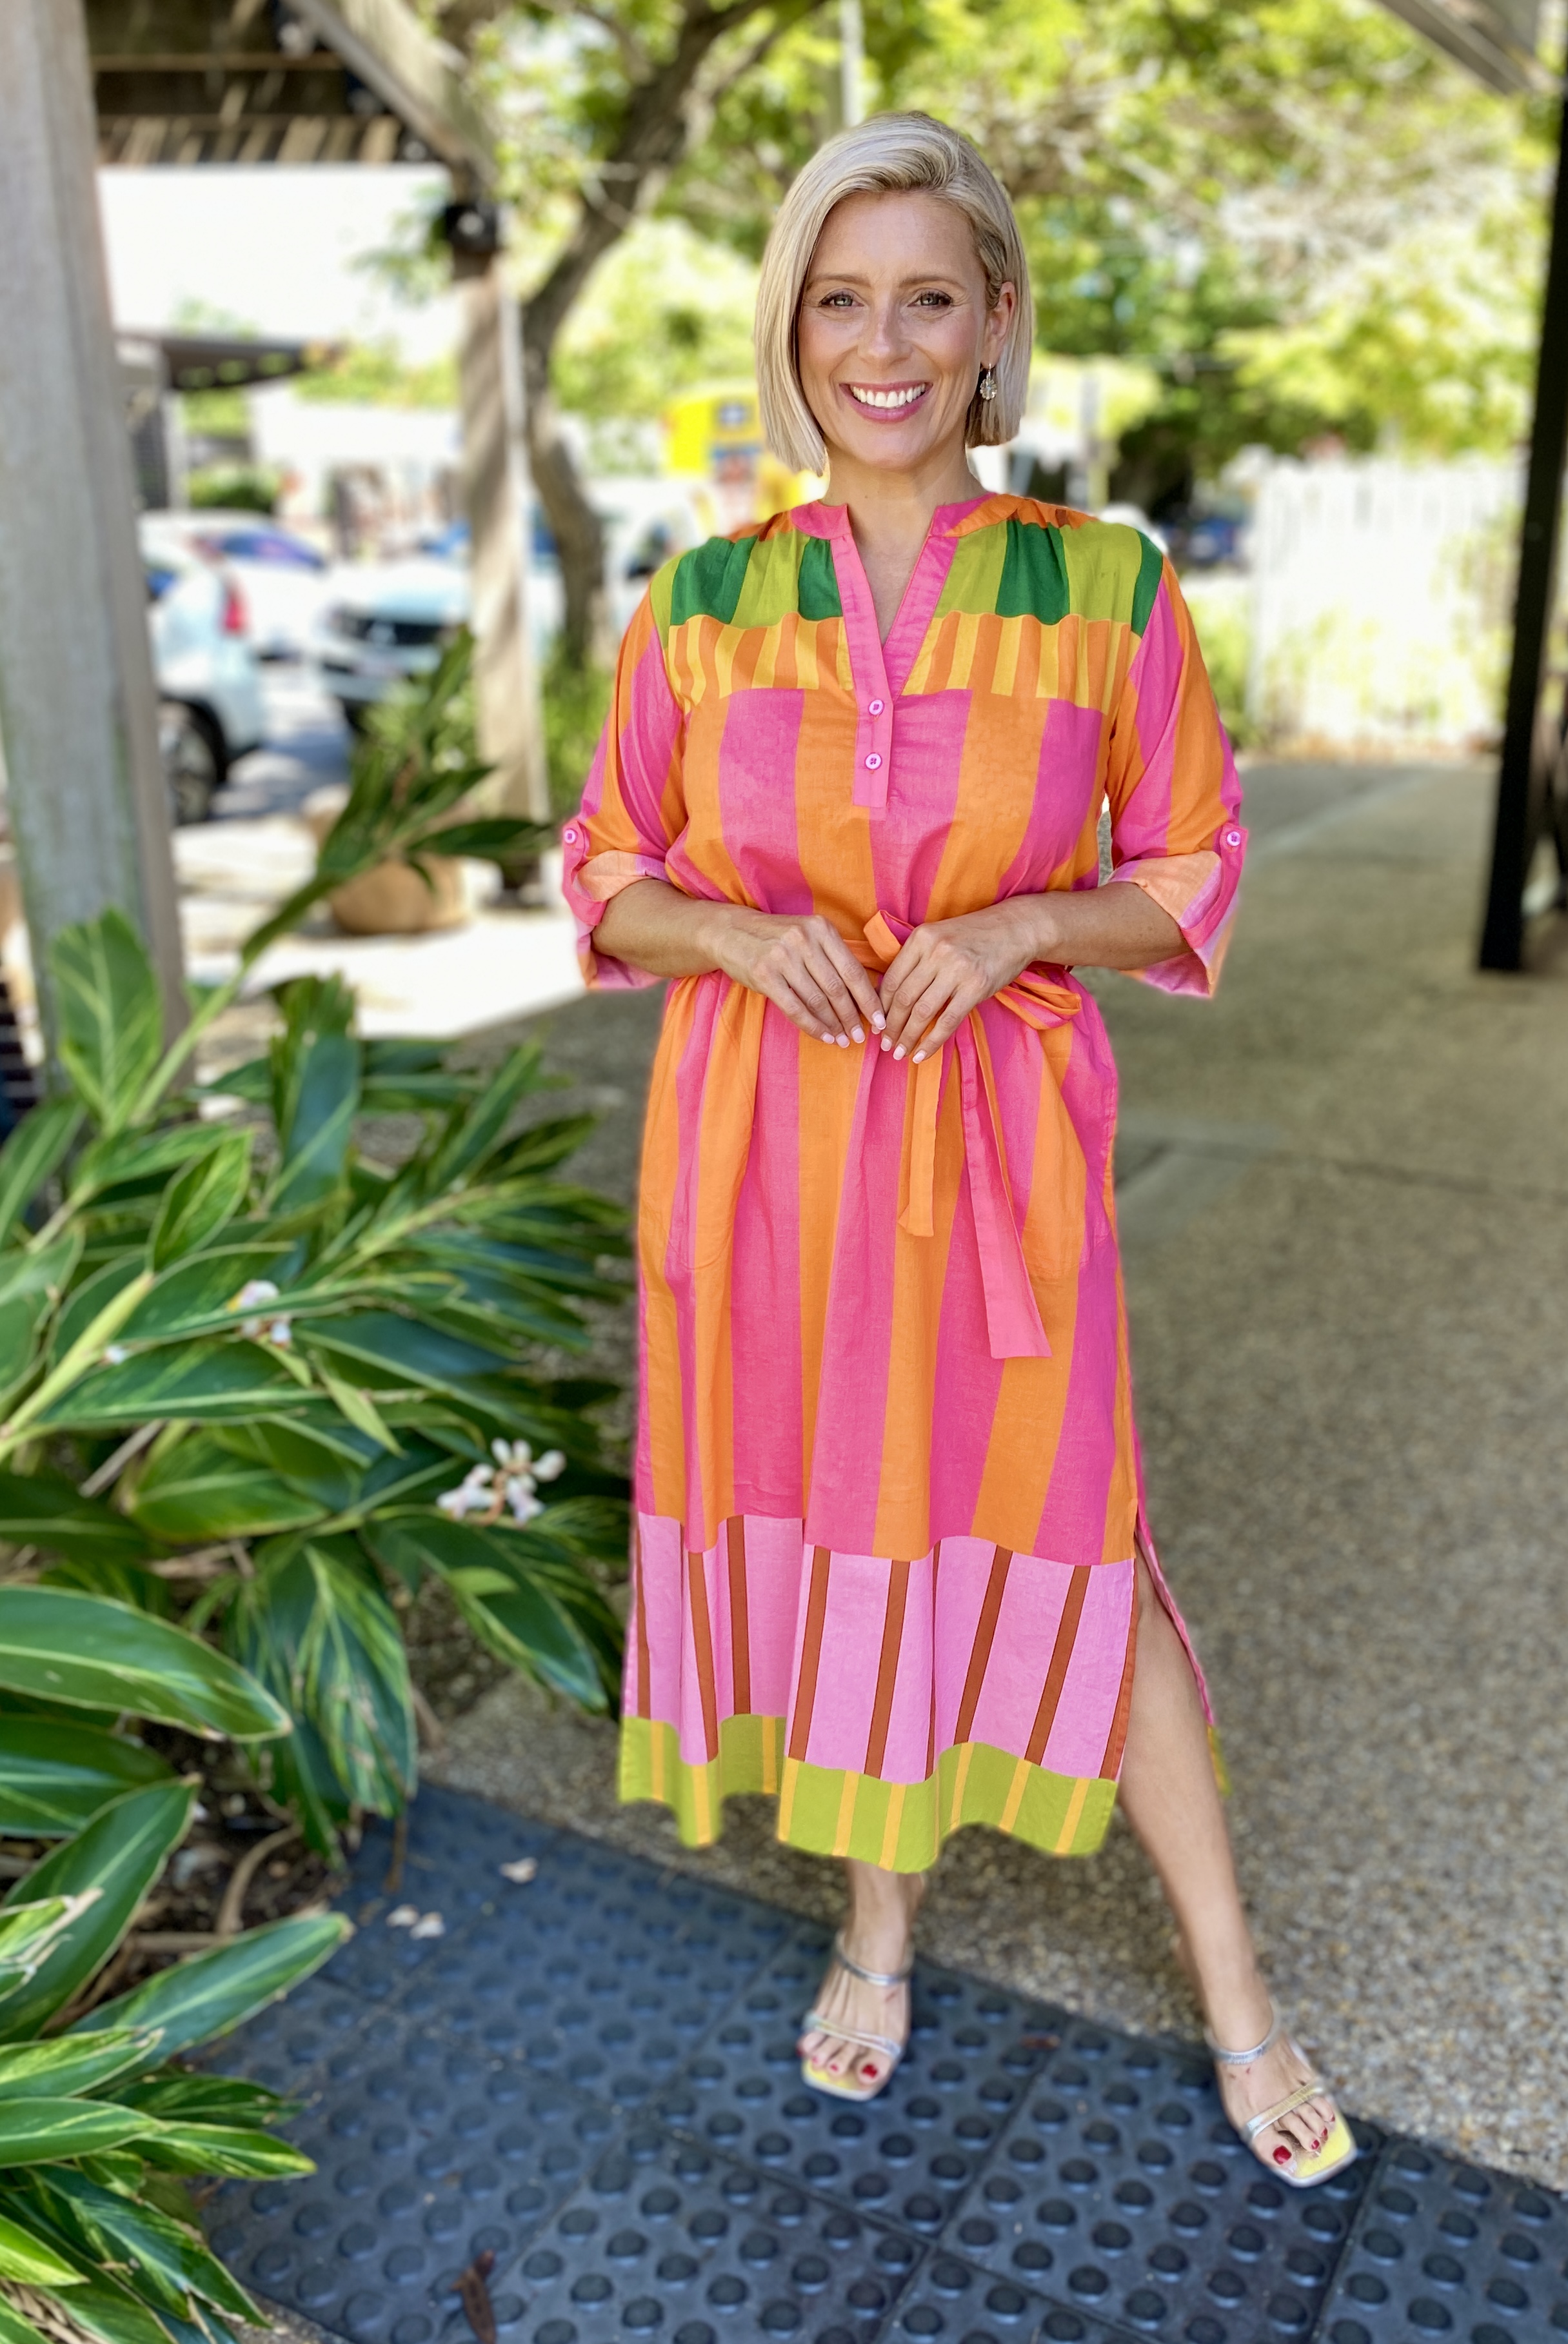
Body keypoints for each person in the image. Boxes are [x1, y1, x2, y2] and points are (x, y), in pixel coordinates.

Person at [560, 111, 1353, 2187]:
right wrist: (741, 932)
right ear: (791, 327)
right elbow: (609, 864)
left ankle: (1240, 1988)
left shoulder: (1105, 587)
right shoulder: (707, 599)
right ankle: (877, 1927)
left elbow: (1191, 865)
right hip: (766, 1152)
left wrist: (1017, 925)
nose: (884, 344)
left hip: (1001, 1153)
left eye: (929, 297)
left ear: (996, 319)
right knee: (841, 1518)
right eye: (842, 299)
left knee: (1080, 1533)